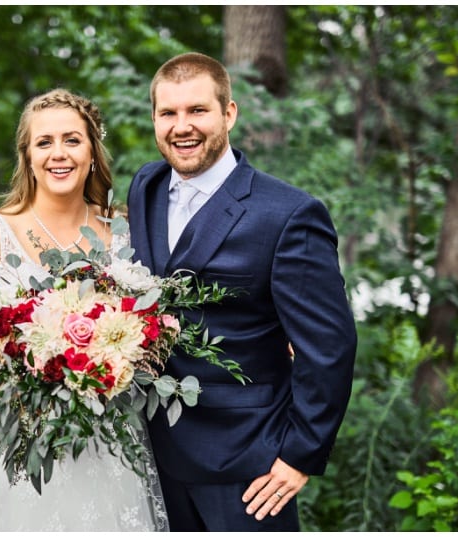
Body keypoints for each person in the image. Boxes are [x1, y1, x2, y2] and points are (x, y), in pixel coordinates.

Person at [0, 88, 168, 531]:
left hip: (103, 441)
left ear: (93, 152)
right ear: (26, 156)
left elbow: (150, 323)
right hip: (12, 443)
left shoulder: (123, 232)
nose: (58, 154)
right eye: (44, 142)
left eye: (72, 140)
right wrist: (26, 408)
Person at [126, 52, 357, 531]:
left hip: (248, 465)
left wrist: (300, 455)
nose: (181, 126)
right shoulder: (145, 187)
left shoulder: (289, 214)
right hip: (151, 458)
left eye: (197, 111)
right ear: (154, 119)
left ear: (229, 113)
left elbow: (328, 346)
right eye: (168, 113)